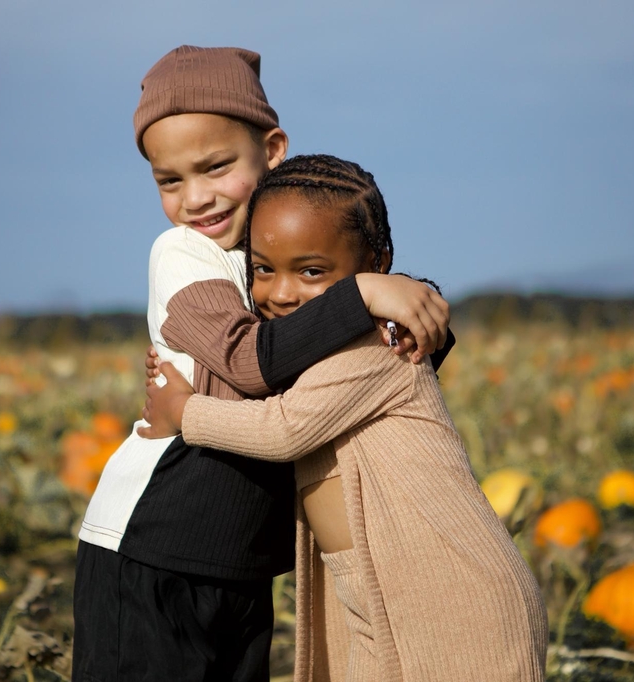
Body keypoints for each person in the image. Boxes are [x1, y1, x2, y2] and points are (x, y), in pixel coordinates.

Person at [73, 46, 453, 682]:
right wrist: (360, 295)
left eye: (216, 167)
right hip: (154, 547)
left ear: (272, 149)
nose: (196, 199)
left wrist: (412, 324)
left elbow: (357, 369)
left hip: (239, 559)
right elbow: (251, 364)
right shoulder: (183, 255)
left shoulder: (274, 264)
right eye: (170, 181)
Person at [141, 155, 549, 682]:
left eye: (311, 271)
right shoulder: (318, 349)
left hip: (458, 597)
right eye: (263, 269)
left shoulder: (376, 345)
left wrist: (186, 411)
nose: (282, 293)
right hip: (380, 597)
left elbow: (284, 429)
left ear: (375, 266)